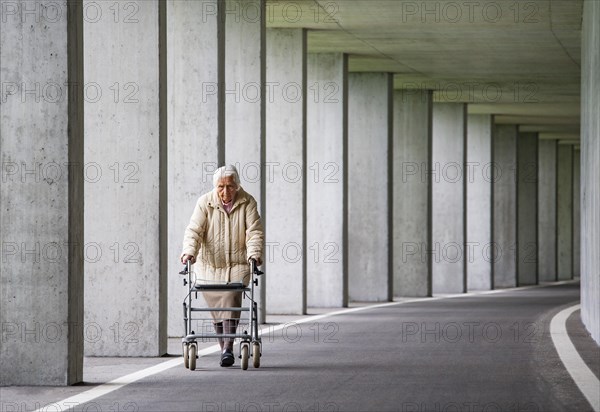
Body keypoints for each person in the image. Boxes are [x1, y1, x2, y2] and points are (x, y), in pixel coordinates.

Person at [180, 165, 263, 367]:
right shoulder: (204, 203)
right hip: (209, 265)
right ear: (215, 186)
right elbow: (194, 231)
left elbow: (254, 233)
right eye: (221, 187)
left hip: (237, 266)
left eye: (230, 186)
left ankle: (227, 348)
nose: (225, 191)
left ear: (237, 185)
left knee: (230, 297)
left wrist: (254, 254)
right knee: (217, 306)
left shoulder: (248, 202)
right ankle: (225, 348)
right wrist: (189, 251)